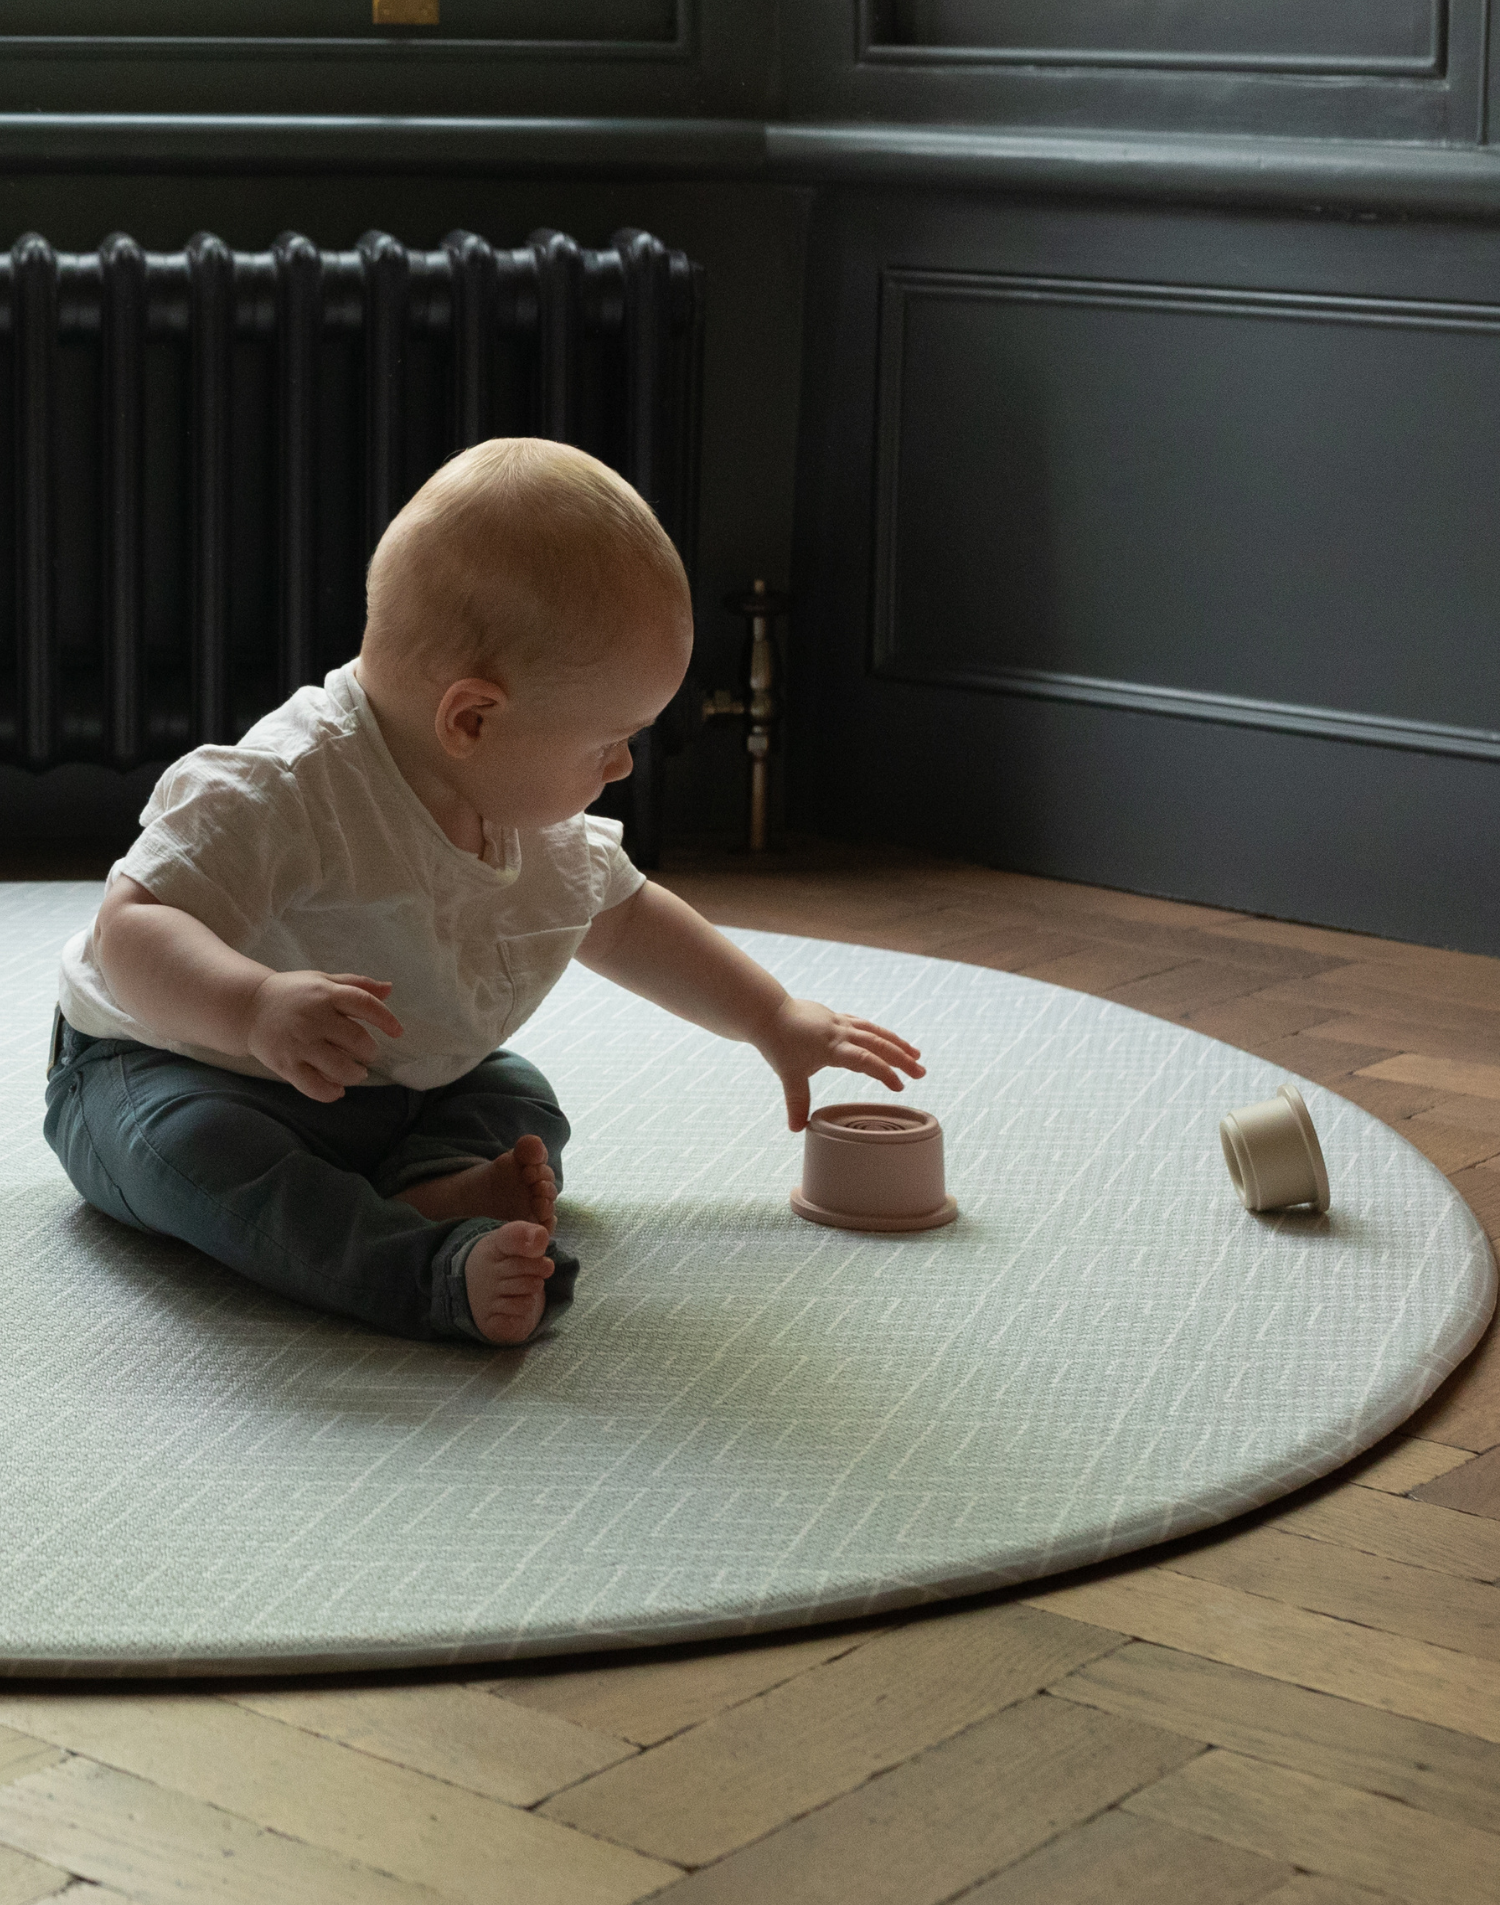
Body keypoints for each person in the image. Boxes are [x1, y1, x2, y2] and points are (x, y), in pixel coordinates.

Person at [43, 438, 924, 1348]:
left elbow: (623, 921)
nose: (623, 765)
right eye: (608, 741)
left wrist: (770, 1016)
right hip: (169, 1063)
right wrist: (253, 1004)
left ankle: (435, 1183)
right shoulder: (287, 786)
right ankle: (424, 1269)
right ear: (471, 717)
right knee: (209, 1159)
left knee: (519, 1094)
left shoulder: (528, 818)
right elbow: (132, 928)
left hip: (372, 1083)